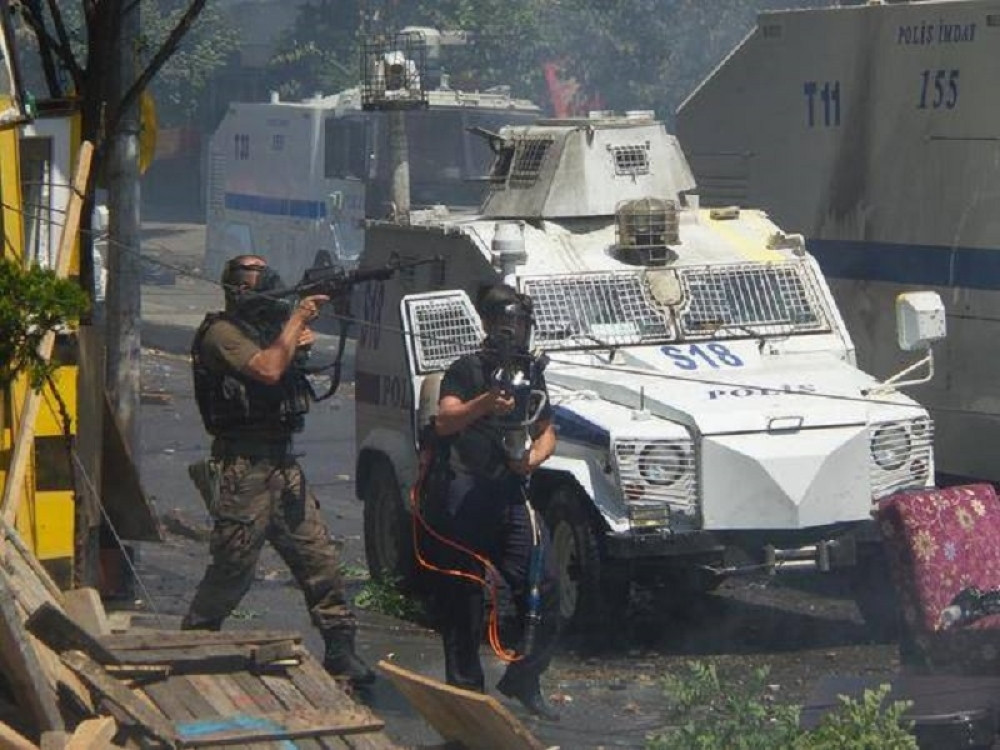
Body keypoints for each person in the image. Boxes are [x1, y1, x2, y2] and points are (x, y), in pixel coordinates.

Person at [183, 254, 374, 687]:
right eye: (255, 272)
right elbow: (267, 369)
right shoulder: (221, 333)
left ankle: (341, 649)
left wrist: (298, 334)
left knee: (319, 558)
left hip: (281, 464)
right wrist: (297, 320)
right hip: (244, 468)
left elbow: (288, 366)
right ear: (238, 287)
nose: (266, 277)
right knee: (233, 566)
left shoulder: (266, 330)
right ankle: (195, 642)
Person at [427, 283, 561, 720]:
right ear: (488, 324)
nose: (514, 331)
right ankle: (467, 698)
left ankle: (525, 677)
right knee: (462, 596)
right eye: (506, 323)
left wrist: (532, 460)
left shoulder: (530, 372)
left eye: (520, 323)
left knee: (546, 585)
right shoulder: (466, 369)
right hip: (464, 491)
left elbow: (546, 430)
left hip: (509, 491)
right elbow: (444, 420)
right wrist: (484, 403)